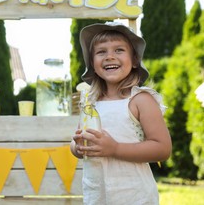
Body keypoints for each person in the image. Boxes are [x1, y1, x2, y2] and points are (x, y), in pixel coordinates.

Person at [70, 22, 172, 205]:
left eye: (118, 50)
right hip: (97, 195)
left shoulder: (140, 100)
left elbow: (162, 148)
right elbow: (79, 139)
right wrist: (77, 147)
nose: (109, 56)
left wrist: (115, 149)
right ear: (92, 63)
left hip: (135, 196)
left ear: (134, 60)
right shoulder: (90, 102)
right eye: (101, 52)